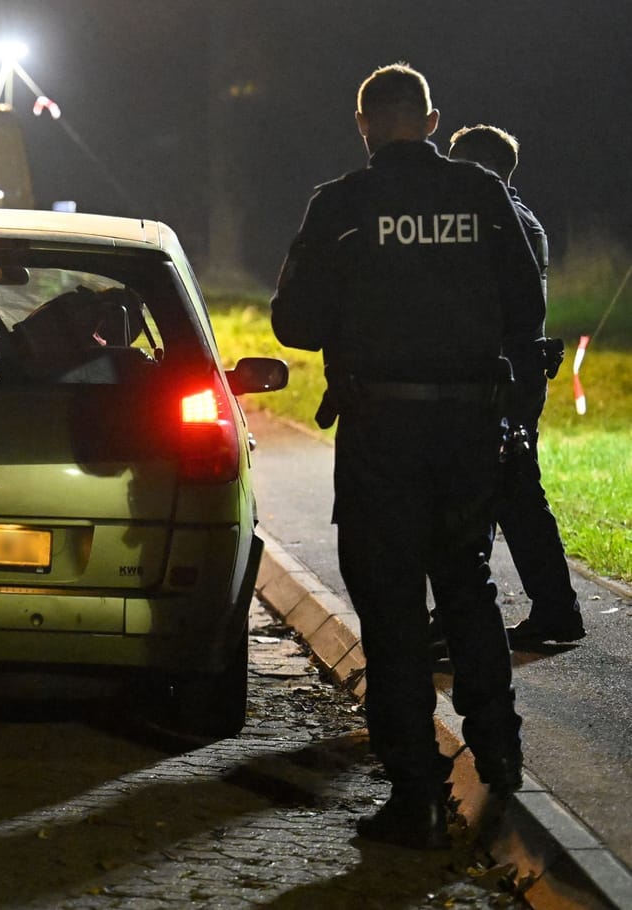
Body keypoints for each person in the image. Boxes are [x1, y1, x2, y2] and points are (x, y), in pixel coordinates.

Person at [270, 64, 546, 849]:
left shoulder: (342, 203)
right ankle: (499, 748)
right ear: (429, 120)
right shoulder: (483, 195)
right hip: (467, 429)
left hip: (380, 430)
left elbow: (294, 322)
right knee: (467, 583)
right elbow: (526, 308)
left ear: (363, 124)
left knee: (391, 609)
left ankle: (416, 793)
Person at [447, 125, 585, 648]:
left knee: (514, 493)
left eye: (458, 165)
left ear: (480, 170)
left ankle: (557, 612)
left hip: (504, 376)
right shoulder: (520, 218)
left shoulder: (502, 223)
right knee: (492, 491)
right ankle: (472, 608)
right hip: (515, 372)